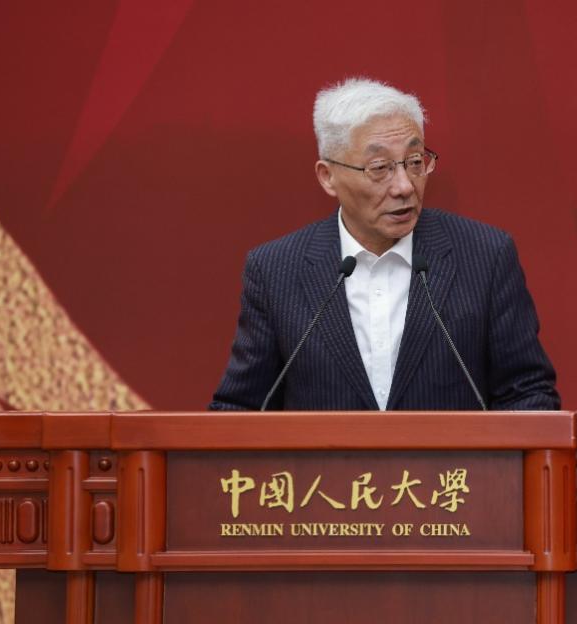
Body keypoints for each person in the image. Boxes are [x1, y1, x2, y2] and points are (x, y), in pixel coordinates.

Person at [209, 77, 558, 411]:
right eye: (380, 168)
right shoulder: (275, 271)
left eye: (415, 162)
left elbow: (529, 395)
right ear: (328, 177)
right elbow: (240, 410)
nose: (404, 186)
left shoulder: (484, 256)